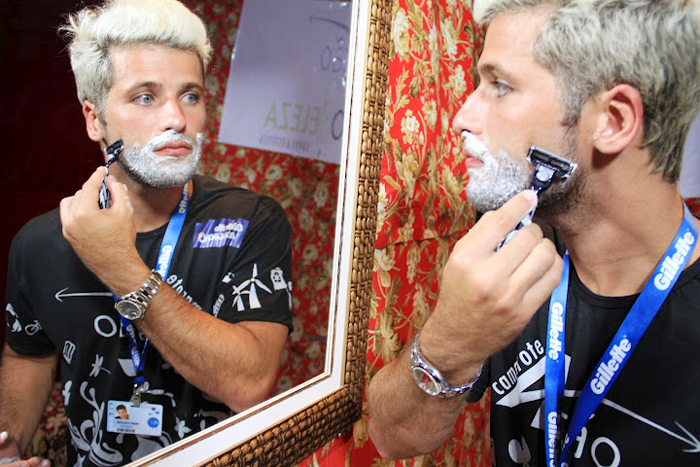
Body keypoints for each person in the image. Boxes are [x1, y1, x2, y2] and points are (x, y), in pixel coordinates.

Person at [368, 0, 700, 465]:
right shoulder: (511, 260)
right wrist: (450, 342)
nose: (462, 118)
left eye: (499, 86)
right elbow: (391, 438)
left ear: (613, 120)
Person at [0, 0, 293, 465]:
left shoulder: (249, 221)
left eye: (190, 95)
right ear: (95, 119)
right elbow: (28, 354)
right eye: (145, 97)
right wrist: (10, 439)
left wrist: (121, 268)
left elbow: (249, 383)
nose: (176, 118)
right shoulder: (39, 242)